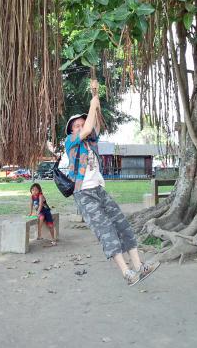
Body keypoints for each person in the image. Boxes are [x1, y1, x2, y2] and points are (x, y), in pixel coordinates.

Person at [65, 80, 160, 286]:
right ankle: (127, 273)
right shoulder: (70, 142)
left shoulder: (91, 142)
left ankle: (139, 267)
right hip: (84, 194)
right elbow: (89, 124)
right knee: (107, 231)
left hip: (99, 191)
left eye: (82, 123)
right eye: (77, 126)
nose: (81, 126)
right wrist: (91, 106)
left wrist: (95, 96)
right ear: (71, 131)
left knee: (122, 225)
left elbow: (95, 123)